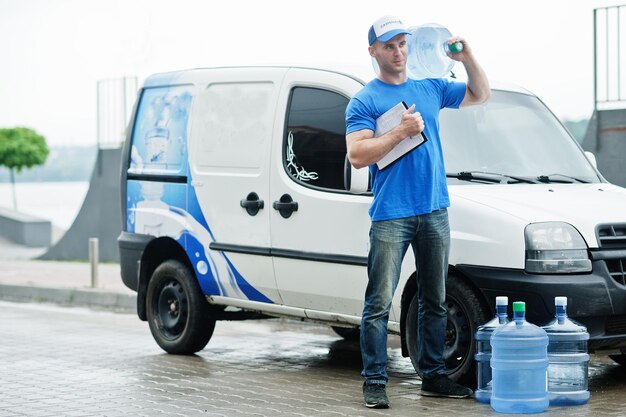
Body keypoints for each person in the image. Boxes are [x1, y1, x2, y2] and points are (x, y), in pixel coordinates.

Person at [345, 15, 491, 409]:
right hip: (391, 213)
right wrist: (398, 132)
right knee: (378, 302)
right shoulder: (365, 99)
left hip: (434, 209)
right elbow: (357, 155)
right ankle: (375, 380)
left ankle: (433, 376)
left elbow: (480, 94)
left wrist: (467, 56)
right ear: (373, 51)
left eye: (402, 44)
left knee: (435, 298)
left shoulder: (429, 86)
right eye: (389, 45)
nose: (398, 52)